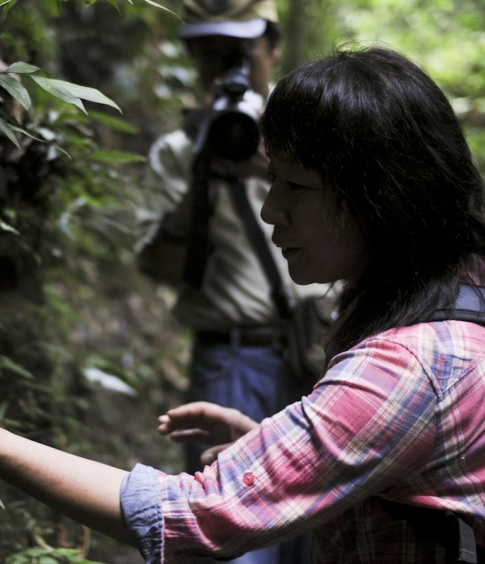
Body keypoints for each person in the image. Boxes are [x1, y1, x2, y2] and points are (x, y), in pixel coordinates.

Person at [0, 47, 485, 563]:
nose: (272, 212)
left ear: (382, 196)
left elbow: (194, 517)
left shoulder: (409, 369)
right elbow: (412, 467)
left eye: (296, 188)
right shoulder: (473, 294)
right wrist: (271, 435)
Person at [135, 0, 335, 489]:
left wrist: (275, 168)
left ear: (272, 47)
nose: (223, 65)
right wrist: (202, 177)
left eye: (238, 51)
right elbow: (160, 268)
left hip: (327, 352)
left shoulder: (321, 139)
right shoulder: (179, 154)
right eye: (208, 52)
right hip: (233, 360)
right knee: (236, 522)